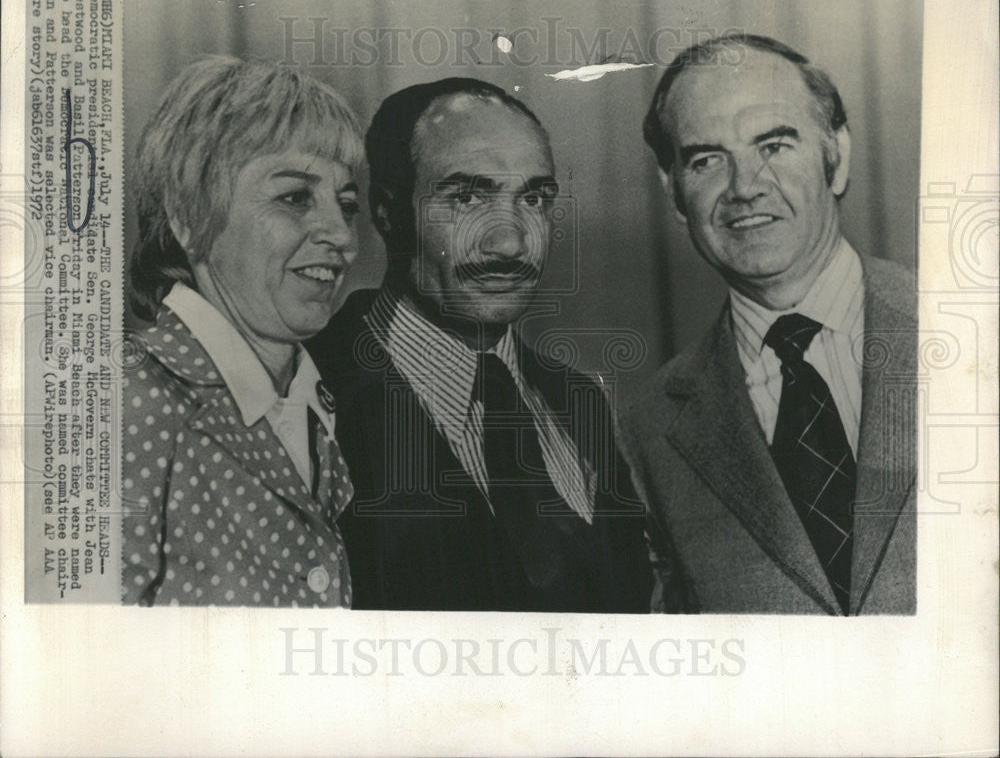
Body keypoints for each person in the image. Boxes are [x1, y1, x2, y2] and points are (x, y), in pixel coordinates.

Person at [307, 78, 652, 612]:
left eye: (533, 198)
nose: (509, 242)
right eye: (467, 197)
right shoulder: (309, 389)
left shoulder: (580, 401)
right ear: (387, 213)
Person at [620, 34, 917, 615]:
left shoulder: (973, 326)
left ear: (837, 157)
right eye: (706, 159)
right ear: (674, 193)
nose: (744, 186)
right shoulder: (649, 430)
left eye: (775, 145)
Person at [122, 56, 364, 607]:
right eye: (295, 197)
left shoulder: (308, 409)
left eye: (345, 204)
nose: (342, 237)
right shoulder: (127, 402)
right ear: (188, 216)